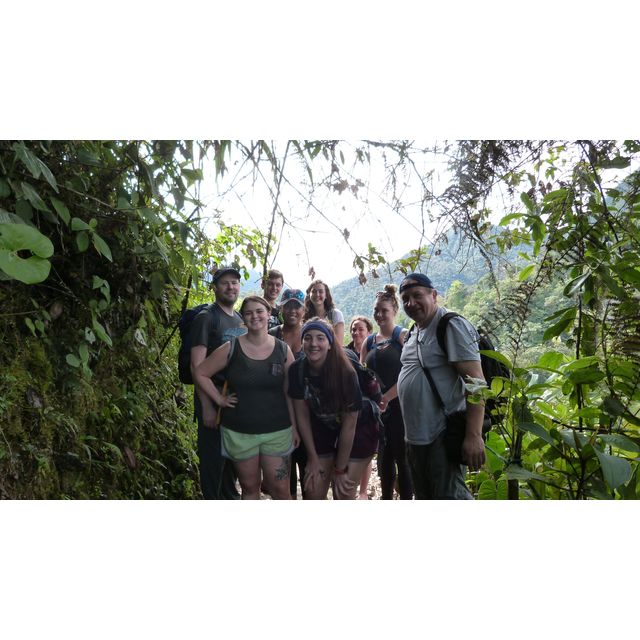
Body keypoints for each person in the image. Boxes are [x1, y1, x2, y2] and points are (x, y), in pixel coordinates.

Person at [194, 295, 297, 500]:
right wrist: (218, 399)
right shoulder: (231, 347)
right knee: (249, 488)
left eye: (259, 311)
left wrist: (295, 426)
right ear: (243, 318)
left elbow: (291, 392)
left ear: (269, 314)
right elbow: (200, 372)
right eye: (248, 313)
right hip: (239, 432)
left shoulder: (283, 350)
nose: (254, 316)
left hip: (277, 431)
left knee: (281, 490)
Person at [396, 273, 485, 500]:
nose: (411, 303)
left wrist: (473, 436)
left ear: (433, 295)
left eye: (417, 295)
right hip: (415, 439)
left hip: (441, 435)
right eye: (405, 299)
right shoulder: (414, 331)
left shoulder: (450, 325)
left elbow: (476, 383)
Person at [288, 318, 377, 499]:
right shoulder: (297, 370)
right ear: (302, 342)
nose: (313, 343)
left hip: (359, 430)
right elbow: (302, 415)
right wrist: (312, 458)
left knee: (342, 492)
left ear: (330, 344)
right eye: (308, 338)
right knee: (313, 491)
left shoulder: (345, 372)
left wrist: (340, 469)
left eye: (320, 338)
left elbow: (349, 425)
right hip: (323, 427)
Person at [189, 266, 247, 499]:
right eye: (225, 283)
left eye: (234, 282)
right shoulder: (206, 318)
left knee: (230, 472)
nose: (230, 287)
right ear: (214, 287)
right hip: (213, 403)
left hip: (232, 405)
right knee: (213, 469)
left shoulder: (239, 318)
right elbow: (197, 367)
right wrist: (209, 405)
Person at [360, 285, 413, 500]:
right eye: (376, 310)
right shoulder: (369, 341)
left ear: (394, 311)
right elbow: (363, 373)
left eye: (384, 310)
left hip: (401, 407)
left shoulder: (403, 336)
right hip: (378, 411)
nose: (380, 314)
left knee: (403, 459)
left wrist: (387, 397)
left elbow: (411, 371)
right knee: (384, 459)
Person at [269, 288, 306, 498]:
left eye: (297, 306)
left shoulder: (310, 334)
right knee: (284, 474)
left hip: (306, 410)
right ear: (281, 308)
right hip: (278, 411)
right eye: (288, 306)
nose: (292, 310)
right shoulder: (272, 335)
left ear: (304, 310)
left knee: (307, 466)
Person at [346, 315, 375, 499]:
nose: (356, 332)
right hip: (348, 407)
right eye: (353, 329)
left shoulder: (374, 351)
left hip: (369, 408)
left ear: (369, 332)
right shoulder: (345, 352)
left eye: (360, 329)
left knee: (367, 450)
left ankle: (363, 491)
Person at [303, 279, 345, 345]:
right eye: (314, 291)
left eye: (321, 291)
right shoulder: (304, 316)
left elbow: (338, 344)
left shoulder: (335, 315)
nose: (317, 294)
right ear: (309, 295)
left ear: (326, 295)